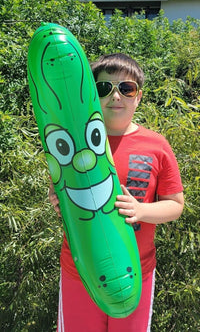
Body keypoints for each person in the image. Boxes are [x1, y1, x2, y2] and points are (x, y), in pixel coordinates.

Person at [49, 53, 184, 332]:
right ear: (91, 95)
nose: (116, 96)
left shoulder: (156, 145)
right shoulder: (75, 143)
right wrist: (58, 198)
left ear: (139, 97)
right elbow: (61, 188)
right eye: (104, 88)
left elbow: (175, 205)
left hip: (135, 274)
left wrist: (141, 210)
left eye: (126, 88)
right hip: (81, 272)